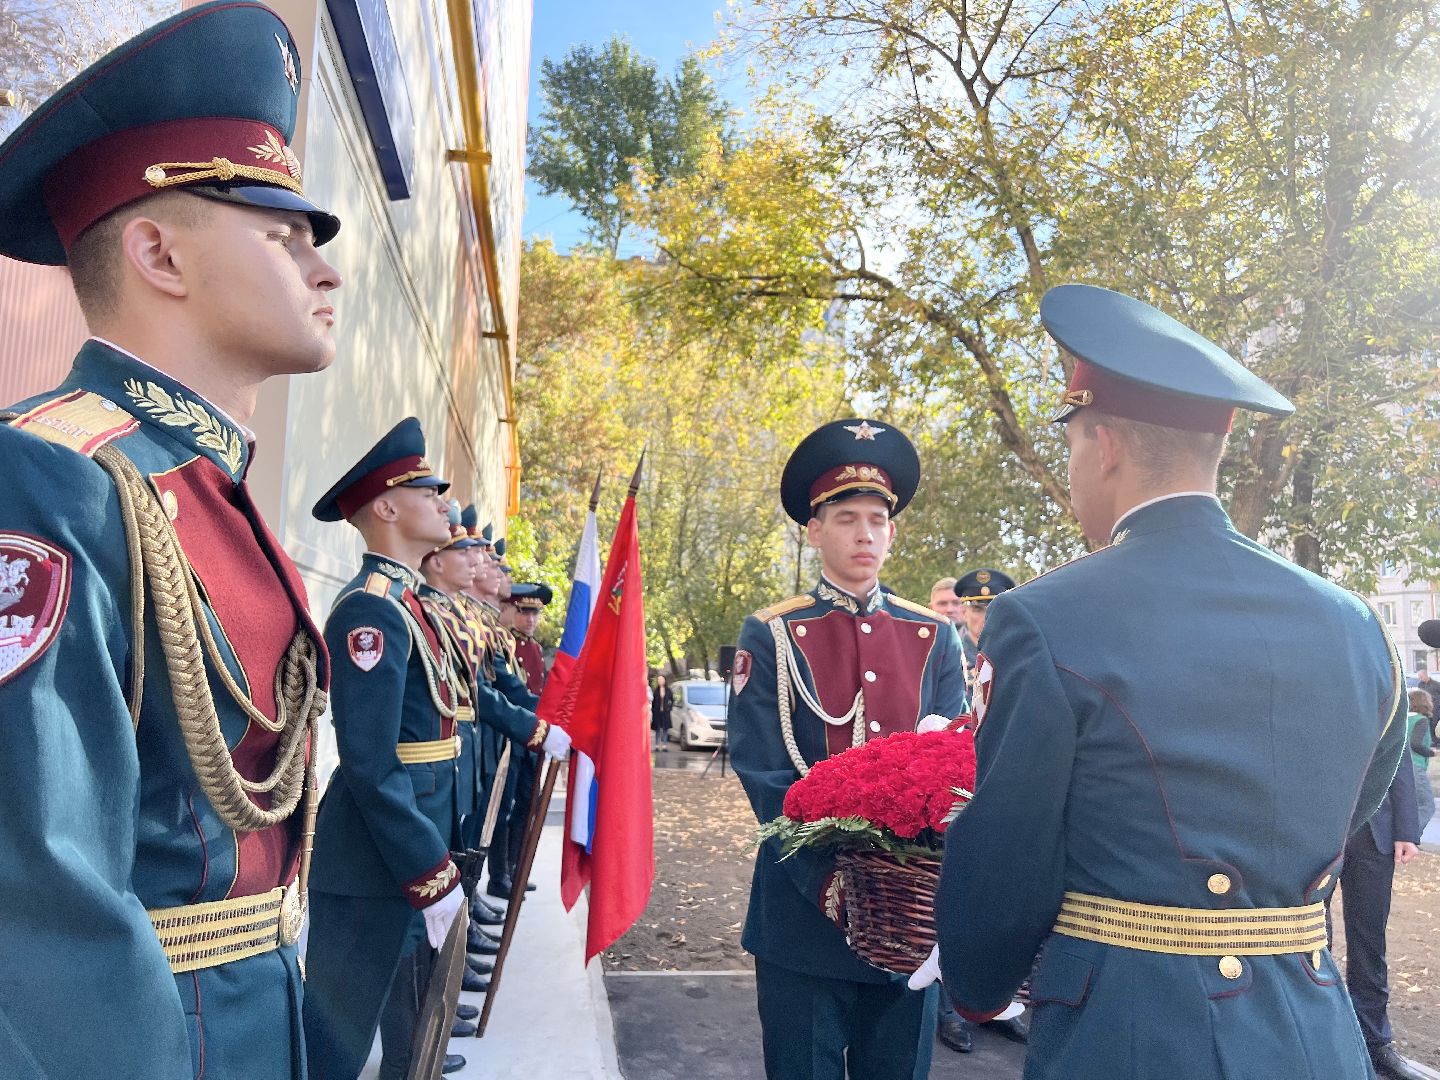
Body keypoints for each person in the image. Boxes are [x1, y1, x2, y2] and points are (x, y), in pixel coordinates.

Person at [920, 284, 1408, 1080]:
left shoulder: (1045, 618)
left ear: (1103, 444)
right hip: (1314, 1032)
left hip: (1132, 1032)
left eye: (1072, 444)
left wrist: (976, 983)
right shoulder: (1358, 625)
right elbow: (1355, 801)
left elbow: (1009, 854)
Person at [0, 5, 341, 1077]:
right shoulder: (51, 476)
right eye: (285, 234)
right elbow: (38, 902)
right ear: (156, 250)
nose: (324, 270)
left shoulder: (203, 487)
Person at [301, 419, 572, 1080]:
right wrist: (429, 866)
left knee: (404, 1007)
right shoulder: (373, 612)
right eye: (429, 492)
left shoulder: (411, 607)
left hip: (413, 832)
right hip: (375, 853)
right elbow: (370, 761)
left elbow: (461, 705)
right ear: (387, 509)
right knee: (335, 1037)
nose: (445, 504)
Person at [729, 418, 967, 1080]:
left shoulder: (933, 636)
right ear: (814, 531)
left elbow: (954, 762)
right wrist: (836, 885)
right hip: (803, 917)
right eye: (845, 518)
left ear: (892, 530)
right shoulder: (775, 633)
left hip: (909, 923)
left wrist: (920, 891)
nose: (864, 533)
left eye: (876, 519)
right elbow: (766, 774)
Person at [1332, 729, 1423, 1080]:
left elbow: (1396, 755)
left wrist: (1407, 829)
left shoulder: (1383, 677)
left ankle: (1374, 1043)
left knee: (1370, 943)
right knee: (1309, 937)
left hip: (1376, 834)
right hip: (1317, 831)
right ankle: (1323, 1035)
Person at [1409, 688, 1435, 836]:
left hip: (1401, 767)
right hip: (1415, 767)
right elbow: (1416, 744)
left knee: (1408, 805)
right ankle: (1411, 836)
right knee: (1427, 805)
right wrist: (1431, 752)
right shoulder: (1421, 720)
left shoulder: (1403, 719)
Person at [651, 674, 675, 751]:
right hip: (657, 713)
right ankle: (657, 746)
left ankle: (664, 746)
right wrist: (653, 710)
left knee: (665, 729)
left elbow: (672, 700)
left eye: (661, 680)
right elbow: (653, 702)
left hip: (665, 713)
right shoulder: (656, 690)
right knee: (657, 729)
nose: (660, 681)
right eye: (659, 680)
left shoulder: (668, 690)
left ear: (664, 680)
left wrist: (669, 708)